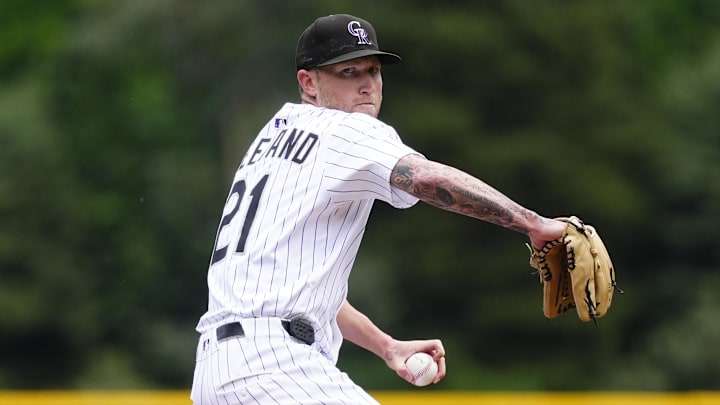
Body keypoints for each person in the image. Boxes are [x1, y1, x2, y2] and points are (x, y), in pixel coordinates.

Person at [190, 13, 566, 404]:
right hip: (273, 366)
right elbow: (424, 179)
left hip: (221, 371)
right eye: (348, 71)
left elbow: (304, 292)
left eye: (374, 70)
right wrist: (533, 224)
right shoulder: (346, 129)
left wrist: (387, 346)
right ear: (308, 82)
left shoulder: (273, 137)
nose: (367, 84)